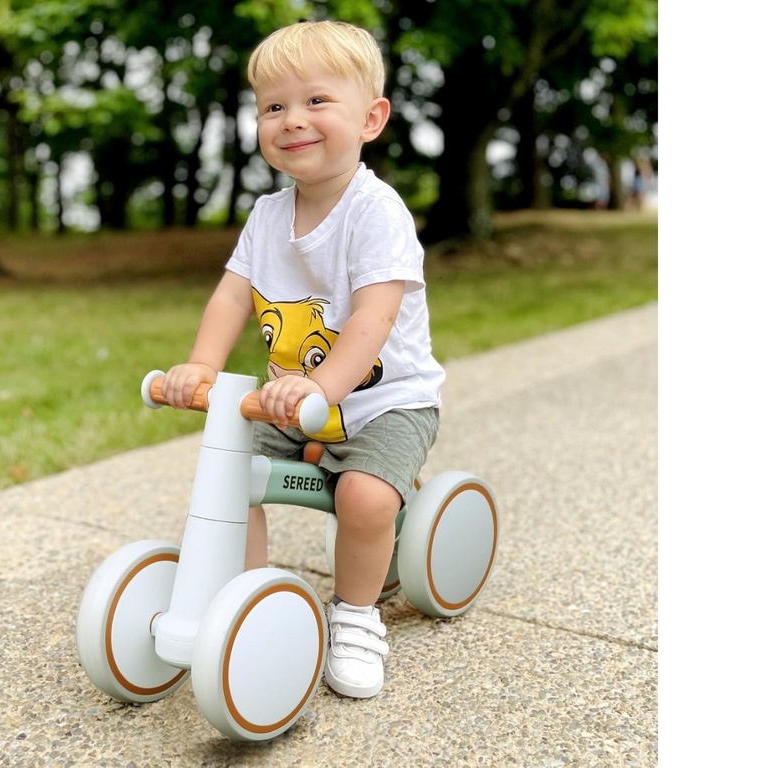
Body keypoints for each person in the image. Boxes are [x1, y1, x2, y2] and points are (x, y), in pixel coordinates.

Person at [160, 19, 446, 700]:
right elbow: (232, 298)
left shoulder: (376, 212)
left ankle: (354, 614)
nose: (293, 120)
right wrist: (201, 366)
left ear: (371, 118)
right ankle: (246, 602)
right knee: (228, 469)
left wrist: (322, 385)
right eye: (274, 107)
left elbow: (373, 322)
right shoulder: (265, 215)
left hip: (384, 401)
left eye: (317, 101)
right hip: (293, 400)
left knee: (365, 497)